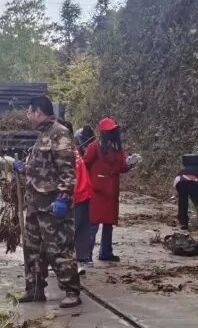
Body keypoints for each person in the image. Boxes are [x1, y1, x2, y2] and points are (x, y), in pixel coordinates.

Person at [12, 96, 81, 307]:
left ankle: (71, 291)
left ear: (39, 112)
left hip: (52, 205)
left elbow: (67, 171)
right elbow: (42, 166)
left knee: (58, 248)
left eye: (30, 112)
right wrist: (23, 167)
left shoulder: (59, 133)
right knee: (32, 248)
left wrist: (64, 197)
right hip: (35, 203)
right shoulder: (43, 134)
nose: (28, 116)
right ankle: (34, 289)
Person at [83, 117, 140, 262]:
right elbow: (85, 165)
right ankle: (86, 254)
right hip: (97, 191)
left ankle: (106, 253)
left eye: (113, 131)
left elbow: (121, 167)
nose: (112, 134)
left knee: (108, 224)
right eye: (109, 131)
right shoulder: (94, 147)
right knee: (93, 224)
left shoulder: (116, 148)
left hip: (111, 191)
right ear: (103, 133)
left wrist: (130, 163)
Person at [73, 125, 96, 269]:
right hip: (77, 195)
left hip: (82, 194)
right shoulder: (72, 154)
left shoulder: (77, 155)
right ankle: (74, 258)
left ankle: (81, 257)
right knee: (76, 228)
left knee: (81, 228)